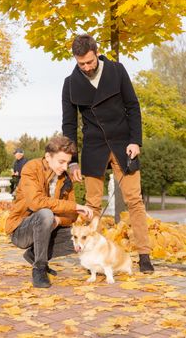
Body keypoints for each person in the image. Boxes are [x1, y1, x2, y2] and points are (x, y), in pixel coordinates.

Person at [62, 34, 154, 273]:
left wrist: (136, 141)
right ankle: (93, 260)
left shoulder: (117, 71)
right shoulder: (70, 83)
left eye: (90, 62)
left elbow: (133, 106)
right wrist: (72, 161)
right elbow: (69, 126)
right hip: (93, 148)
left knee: (134, 200)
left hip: (124, 145)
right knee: (92, 205)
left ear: (96, 52)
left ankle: (144, 255)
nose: (86, 67)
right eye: (81, 64)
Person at [5, 135, 93, 288]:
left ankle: (34, 254)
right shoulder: (31, 168)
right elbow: (36, 202)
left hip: (49, 228)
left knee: (84, 237)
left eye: (67, 162)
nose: (65, 167)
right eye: (61, 162)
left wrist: (59, 220)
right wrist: (74, 207)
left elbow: (71, 215)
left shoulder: (65, 178)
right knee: (45, 213)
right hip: (21, 229)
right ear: (48, 156)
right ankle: (39, 268)